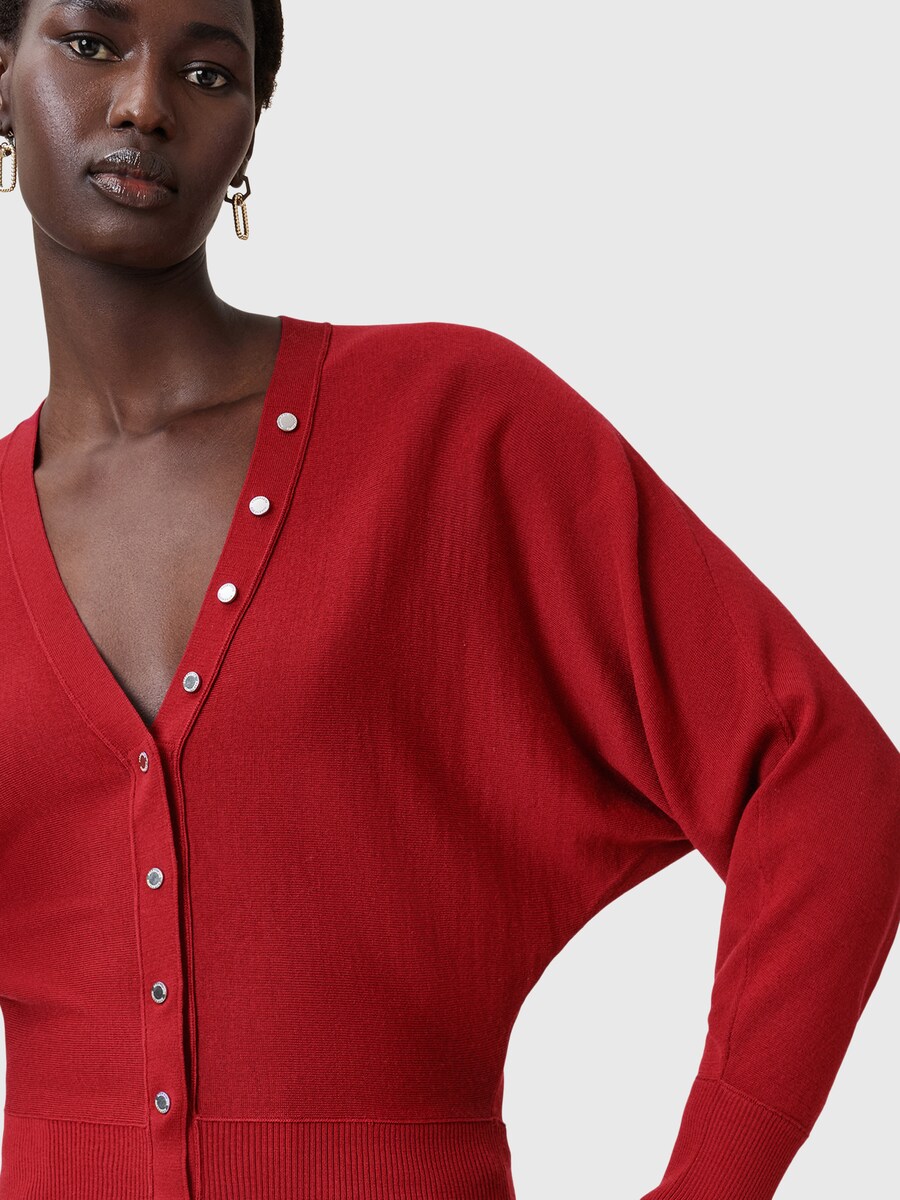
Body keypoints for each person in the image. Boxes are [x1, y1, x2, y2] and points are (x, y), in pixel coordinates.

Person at [0, 2, 897, 1199]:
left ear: (252, 128)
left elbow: (825, 781)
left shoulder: (450, 424)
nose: (144, 103)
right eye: (92, 43)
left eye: (210, 71)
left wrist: (713, 1180)